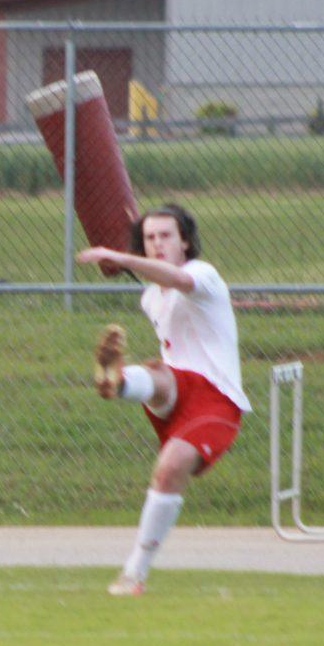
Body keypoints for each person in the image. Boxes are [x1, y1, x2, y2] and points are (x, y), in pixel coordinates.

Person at [77, 204, 251, 596]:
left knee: (169, 468)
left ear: (185, 241)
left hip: (216, 400)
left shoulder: (201, 274)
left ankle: (133, 574)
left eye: (166, 236)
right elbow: (160, 282)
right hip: (175, 391)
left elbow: (175, 278)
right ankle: (117, 381)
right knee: (160, 370)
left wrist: (119, 256)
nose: (157, 244)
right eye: (150, 237)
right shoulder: (150, 298)